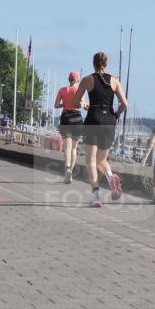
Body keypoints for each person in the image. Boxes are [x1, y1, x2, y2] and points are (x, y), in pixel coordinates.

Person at [73, 52, 128, 207]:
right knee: (101, 159)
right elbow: (124, 104)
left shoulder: (87, 80)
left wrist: (84, 105)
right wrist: (116, 115)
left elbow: (75, 102)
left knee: (91, 160)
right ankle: (110, 176)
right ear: (106, 64)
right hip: (109, 121)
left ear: (93, 63)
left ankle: (96, 196)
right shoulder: (114, 81)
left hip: (93, 118)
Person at [55, 71, 87, 184]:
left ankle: (67, 168)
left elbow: (56, 105)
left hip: (66, 118)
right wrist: (84, 105)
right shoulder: (80, 91)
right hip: (77, 119)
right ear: (77, 79)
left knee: (67, 147)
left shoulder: (62, 90)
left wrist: (64, 104)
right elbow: (81, 105)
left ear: (69, 79)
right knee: (74, 148)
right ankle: (71, 172)